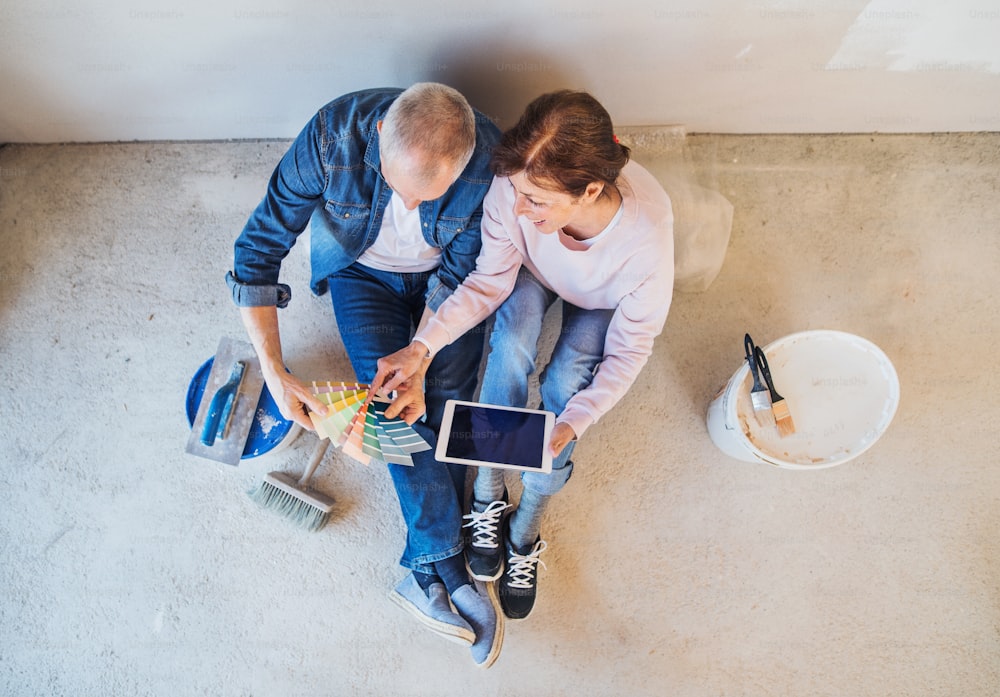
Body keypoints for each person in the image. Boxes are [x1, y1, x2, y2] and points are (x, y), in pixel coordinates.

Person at [226, 83, 503, 667]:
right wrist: (274, 371)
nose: (407, 207)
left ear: (463, 165)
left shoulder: (490, 164)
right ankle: (444, 565)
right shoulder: (332, 135)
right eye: (396, 187)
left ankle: (428, 567)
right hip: (360, 276)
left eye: (427, 197)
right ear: (378, 136)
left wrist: (423, 354)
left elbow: (464, 271)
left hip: (443, 288)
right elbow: (256, 251)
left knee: (448, 400)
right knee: (388, 411)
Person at [373, 90, 674, 620]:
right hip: (532, 271)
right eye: (516, 191)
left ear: (591, 192)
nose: (517, 207)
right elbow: (488, 281)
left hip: (602, 298)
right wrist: (422, 347)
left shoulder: (646, 243)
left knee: (566, 389)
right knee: (509, 345)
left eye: (536, 200)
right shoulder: (515, 186)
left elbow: (629, 351)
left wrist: (577, 421)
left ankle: (527, 521)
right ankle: (488, 489)